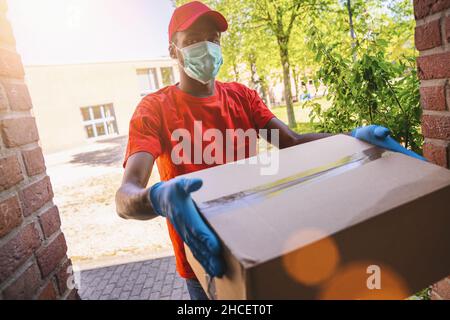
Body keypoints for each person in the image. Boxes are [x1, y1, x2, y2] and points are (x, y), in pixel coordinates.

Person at [115, 1, 425, 300]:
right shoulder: (155, 110)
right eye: (193, 40)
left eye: (213, 39)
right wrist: (158, 198)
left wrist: (352, 138)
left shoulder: (241, 99)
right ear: (174, 50)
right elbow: (126, 195)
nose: (206, 48)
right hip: (203, 260)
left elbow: (290, 141)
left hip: (258, 247)